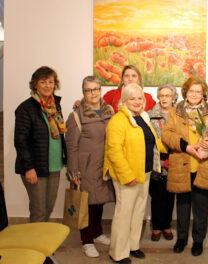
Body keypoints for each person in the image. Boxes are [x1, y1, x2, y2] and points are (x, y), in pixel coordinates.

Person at [162, 76, 208, 257]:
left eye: (198, 91)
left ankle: (198, 241)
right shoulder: (176, 111)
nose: (194, 94)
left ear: (203, 94)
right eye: (191, 91)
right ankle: (181, 239)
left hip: (203, 167)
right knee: (182, 206)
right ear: (185, 92)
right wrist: (185, 146)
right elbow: (166, 135)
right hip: (182, 167)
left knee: (201, 208)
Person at [103, 83, 165, 264]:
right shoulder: (118, 121)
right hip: (127, 176)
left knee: (138, 212)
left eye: (140, 98)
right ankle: (118, 253)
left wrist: (180, 145)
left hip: (144, 172)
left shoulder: (143, 117)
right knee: (124, 214)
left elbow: (154, 142)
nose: (137, 102)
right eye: (132, 98)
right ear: (124, 100)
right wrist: (127, 176)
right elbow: (114, 152)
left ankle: (132, 246)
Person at [65, 76, 115, 258]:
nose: (93, 93)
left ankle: (97, 232)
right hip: (85, 168)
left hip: (104, 165)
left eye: (96, 89)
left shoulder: (109, 110)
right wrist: (73, 172)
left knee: (98, 201)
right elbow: (71, 146)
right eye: (88, 90)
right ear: (83, 92)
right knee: (85, 204)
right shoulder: (76, 115)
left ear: (100, 91)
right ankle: (86, 240)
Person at [14, 66, 67, 223]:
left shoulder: (55, 106)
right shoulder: (25, 108)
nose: (47, 85)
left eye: (51, 81)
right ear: (35, 84)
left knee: (48, 208)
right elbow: (20, 141)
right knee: (38, 211)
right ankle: (35, 247)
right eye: (43, 81)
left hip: (54, 166)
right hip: (36, 168)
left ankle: (43, 245)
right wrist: (29, 168)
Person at [147, 84, 178, 241]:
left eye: (168, 95)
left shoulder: (179, 115)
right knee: (157, 195)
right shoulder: (149, 115)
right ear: (158, 97)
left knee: (170, 196)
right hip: (156, 162)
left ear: (174, 98)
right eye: (162, 95)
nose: (165, 98)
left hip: (174, 162)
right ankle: (156, 227)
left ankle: (167, 225)